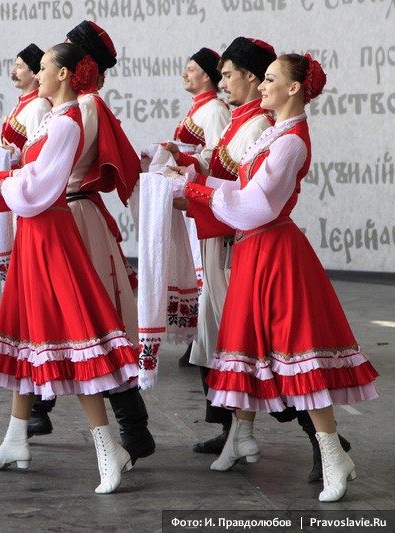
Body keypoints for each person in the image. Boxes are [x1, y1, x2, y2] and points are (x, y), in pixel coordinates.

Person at [173, 53, 378, 503]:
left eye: (269, 79)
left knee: (299, 354)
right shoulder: (272, 133)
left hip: (276, 253)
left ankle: (332, 455)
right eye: (262, 79)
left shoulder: (292, 141)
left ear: (293, 89)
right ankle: (241, 437)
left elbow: (257, 206)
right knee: (245, 348)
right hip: (253, 250)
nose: (261, 85)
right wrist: (194, 182)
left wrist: (194, 190)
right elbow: (242, 193)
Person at [0, 43, 140, 495]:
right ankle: (16, 438)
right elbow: (27, 170)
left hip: (51, 234)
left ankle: (108, 447)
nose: (37, 74)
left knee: (74, 341)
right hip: (36, 235)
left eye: (43, 67)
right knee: (30, 337)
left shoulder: (68, 122)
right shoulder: (54, 120)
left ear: (64, 74)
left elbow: (36, 188)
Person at [27, 20, 154, 466]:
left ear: (76, 66)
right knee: (84, 321)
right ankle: (41, 408)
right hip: (75, 212)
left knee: (91, 324)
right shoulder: (84, 105)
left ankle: (128, 429)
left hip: (72, 216)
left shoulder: (83, 108)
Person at [163, 37, 277, 456]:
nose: (222, 83)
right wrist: (185, 165)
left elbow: (245, 190)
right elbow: (216, 165)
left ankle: (320, 435)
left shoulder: (259, 125)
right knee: (220, 338)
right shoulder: (239, 121)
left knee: (245, 341)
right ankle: (233, 431)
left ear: (251, 76)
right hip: (218, 230)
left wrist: (194, 185)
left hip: (233, 236)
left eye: (228, 75)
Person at [171, 47, 230, 368]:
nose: (185, 72)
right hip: (194, 197)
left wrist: (183, 163)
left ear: (207, 75)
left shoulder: (216, 111)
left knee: (209, 275)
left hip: (206, 200)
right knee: (200, 274)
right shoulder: (200, 109)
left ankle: (216, 345)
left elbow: (220, 162)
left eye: (190, 68)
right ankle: (202, 342)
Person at [1, 44, 51, 153]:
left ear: (34, 72)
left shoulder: (39, 106)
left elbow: (35, 153)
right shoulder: (25, 102)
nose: (13, 71)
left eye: (19, 67)